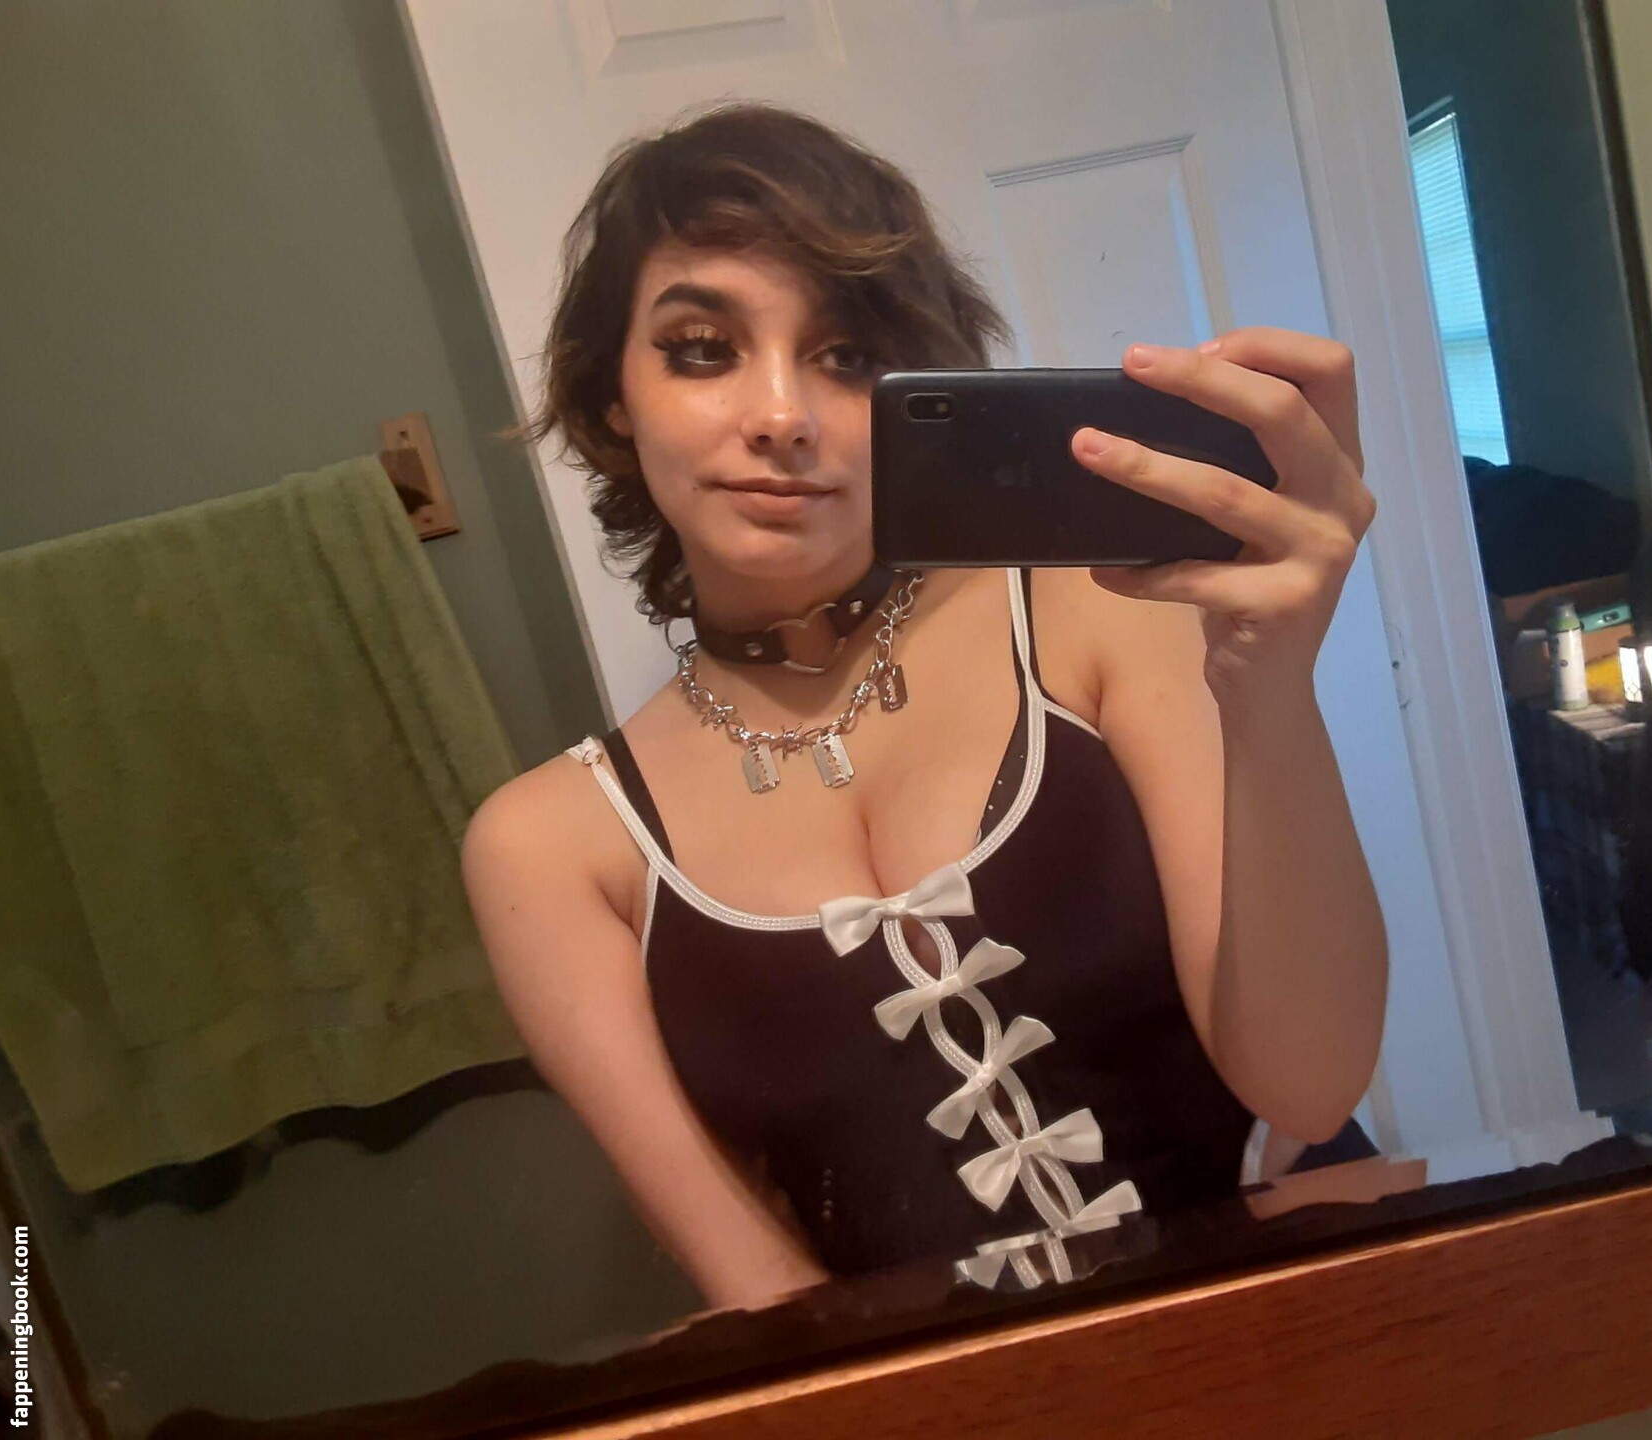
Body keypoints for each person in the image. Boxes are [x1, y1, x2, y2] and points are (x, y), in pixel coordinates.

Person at [461, 103, 1388, 1311]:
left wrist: (1271, 688)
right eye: (702, 348)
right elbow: (769, 1301)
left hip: (1305, 1327)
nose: (781, 415)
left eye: (847, 355)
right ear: (614, 394)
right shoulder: (553, 850)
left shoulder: (1097, 612)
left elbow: (1311, 1088)